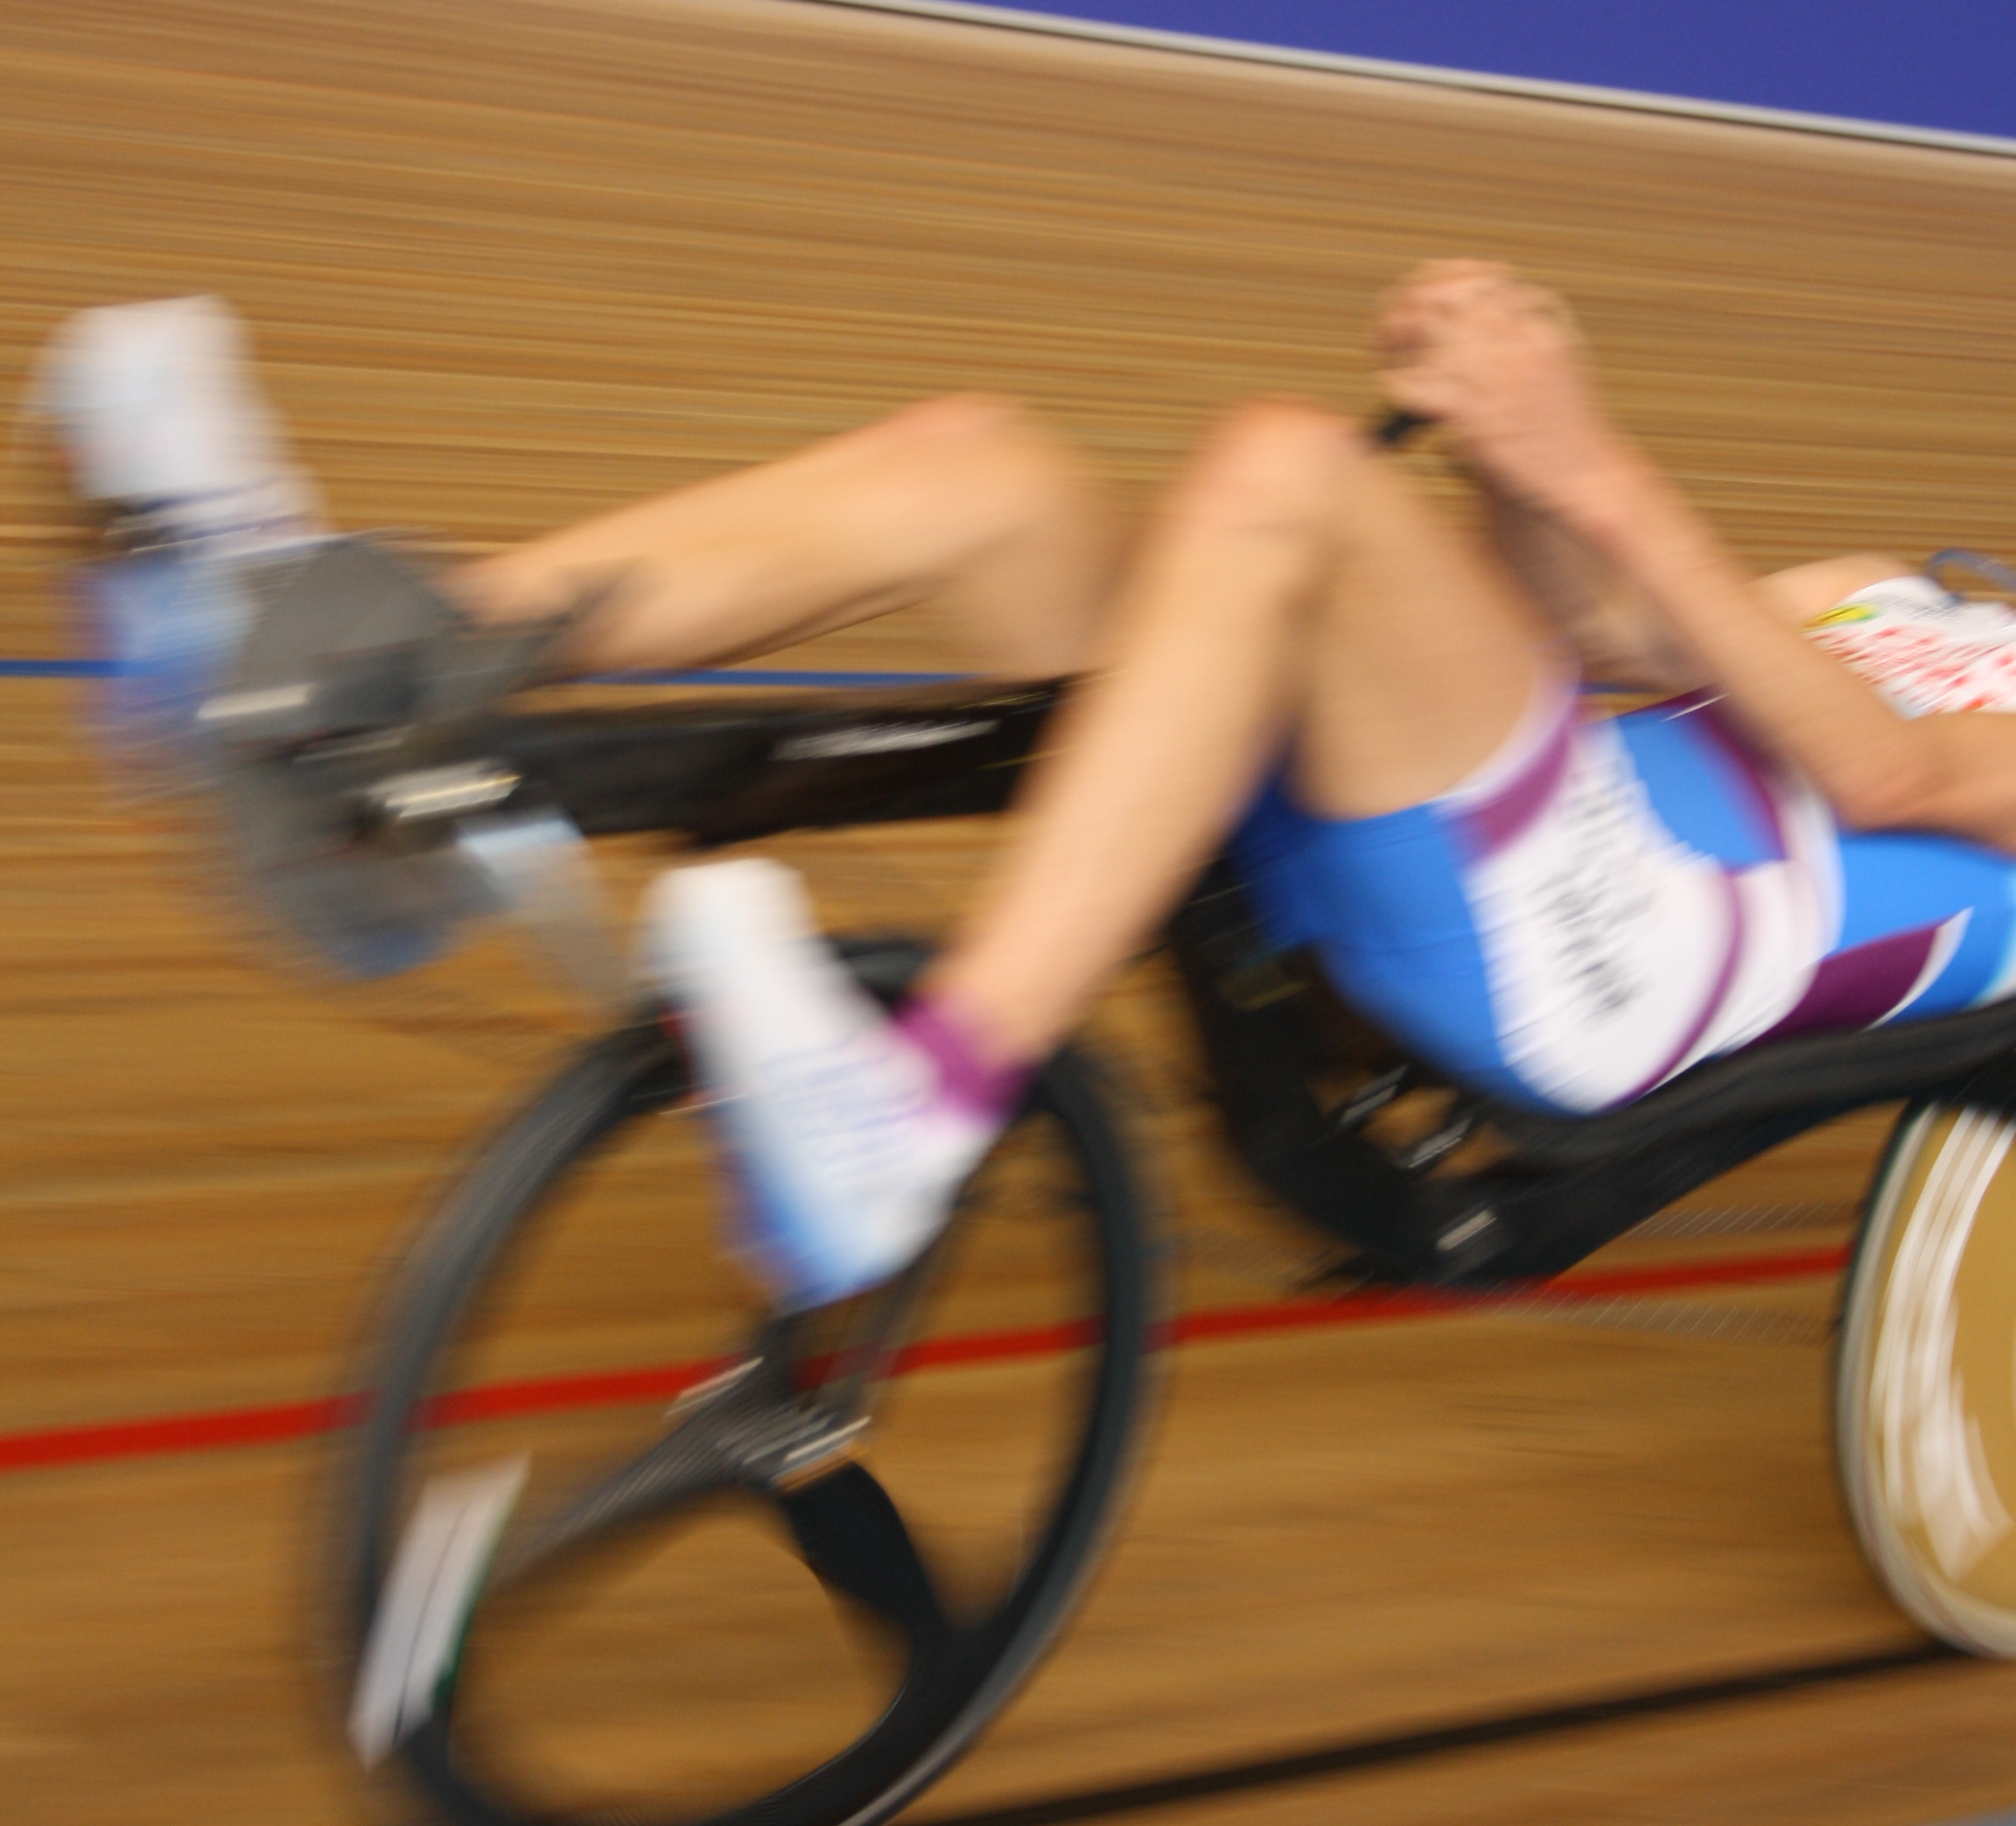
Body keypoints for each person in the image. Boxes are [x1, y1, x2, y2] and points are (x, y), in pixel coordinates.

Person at [34, 269, 2016, 1315]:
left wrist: (1590, 464)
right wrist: (1517, 444)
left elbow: (1884, 766)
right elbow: (1588, 629)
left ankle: (912, 1114)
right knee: (972, 467)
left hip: (1608, 954)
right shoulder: (1892, 587)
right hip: (1494, 819)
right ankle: (353, 682)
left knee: (1286, 476)